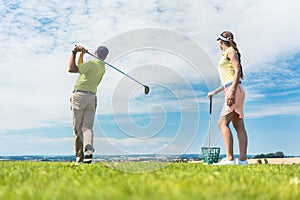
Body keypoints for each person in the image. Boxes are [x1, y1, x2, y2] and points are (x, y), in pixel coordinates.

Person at [207, 31, 248, 165]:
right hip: (235, 89)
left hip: (234, 90)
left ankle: (230, 159)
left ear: (220, 41)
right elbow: (227, 79)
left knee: (222, 123)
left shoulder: (230, 51)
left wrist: (231, 91)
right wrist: (215, 92)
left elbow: (237, 72)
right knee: (238, 125)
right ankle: (242, 160)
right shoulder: (229, 53)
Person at [68, 45, 109, 164]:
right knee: (87, 127)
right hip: (92, 97)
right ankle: (88, 149)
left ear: (95, 52)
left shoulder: (92, 64)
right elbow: (81, 67)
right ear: (105, 56)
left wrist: (79, 53)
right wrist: (82, 54)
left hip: (80, 96)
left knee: (77, 129)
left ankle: (79, 159)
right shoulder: (102, 67)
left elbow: (77, 67)